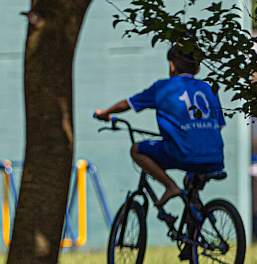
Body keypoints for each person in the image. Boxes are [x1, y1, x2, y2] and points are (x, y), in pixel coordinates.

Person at [93, 44, 225, 207]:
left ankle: (170, 186)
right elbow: (219, 125)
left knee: (136, 150)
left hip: (183, 153)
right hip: (214, 157)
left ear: (172, 65)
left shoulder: (163, 88)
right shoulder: (209, 89)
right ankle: (197, 217)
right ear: (197, 69)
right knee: (191, 189)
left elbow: (127, 104)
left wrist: (104, 112)